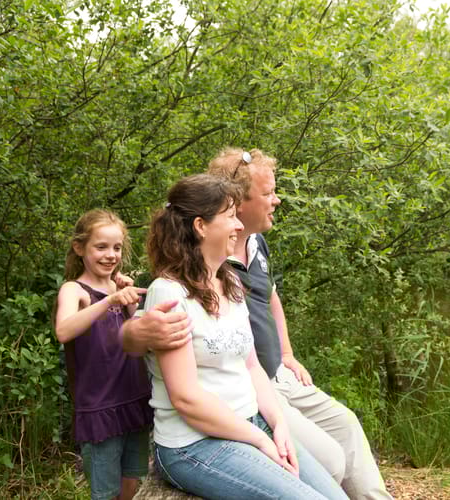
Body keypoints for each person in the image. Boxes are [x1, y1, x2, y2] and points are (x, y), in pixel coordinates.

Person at [141, 174, 348, 500]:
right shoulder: (168, 294)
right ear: (201, 226)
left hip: (252, 423)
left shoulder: (232, 284)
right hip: (195, 445)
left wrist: (278, 424)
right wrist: (260, 439)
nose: (239, 226)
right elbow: (186, 399)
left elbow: (251, 366)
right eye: (230, 216)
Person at [208, 147, 393, 500]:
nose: (277, 200)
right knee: (331, 461)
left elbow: (270, 297)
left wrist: (288, 354)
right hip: (252, 389)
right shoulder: (211, 259)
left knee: (347, 425)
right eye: (268, 194)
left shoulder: (257, 243)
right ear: (238, 203)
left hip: (280, 375)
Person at [54, 209, 152, 500]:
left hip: (133, 399)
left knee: (132, 480)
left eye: (117, 248)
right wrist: (109, 299)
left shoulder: (118, 288)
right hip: (100, 407)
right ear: (79, 247)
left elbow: (138, 335)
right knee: (105, 492)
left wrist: (129, 301)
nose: (111, 255)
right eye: (101, 247)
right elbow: (63, 330)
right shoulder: (75, 291)